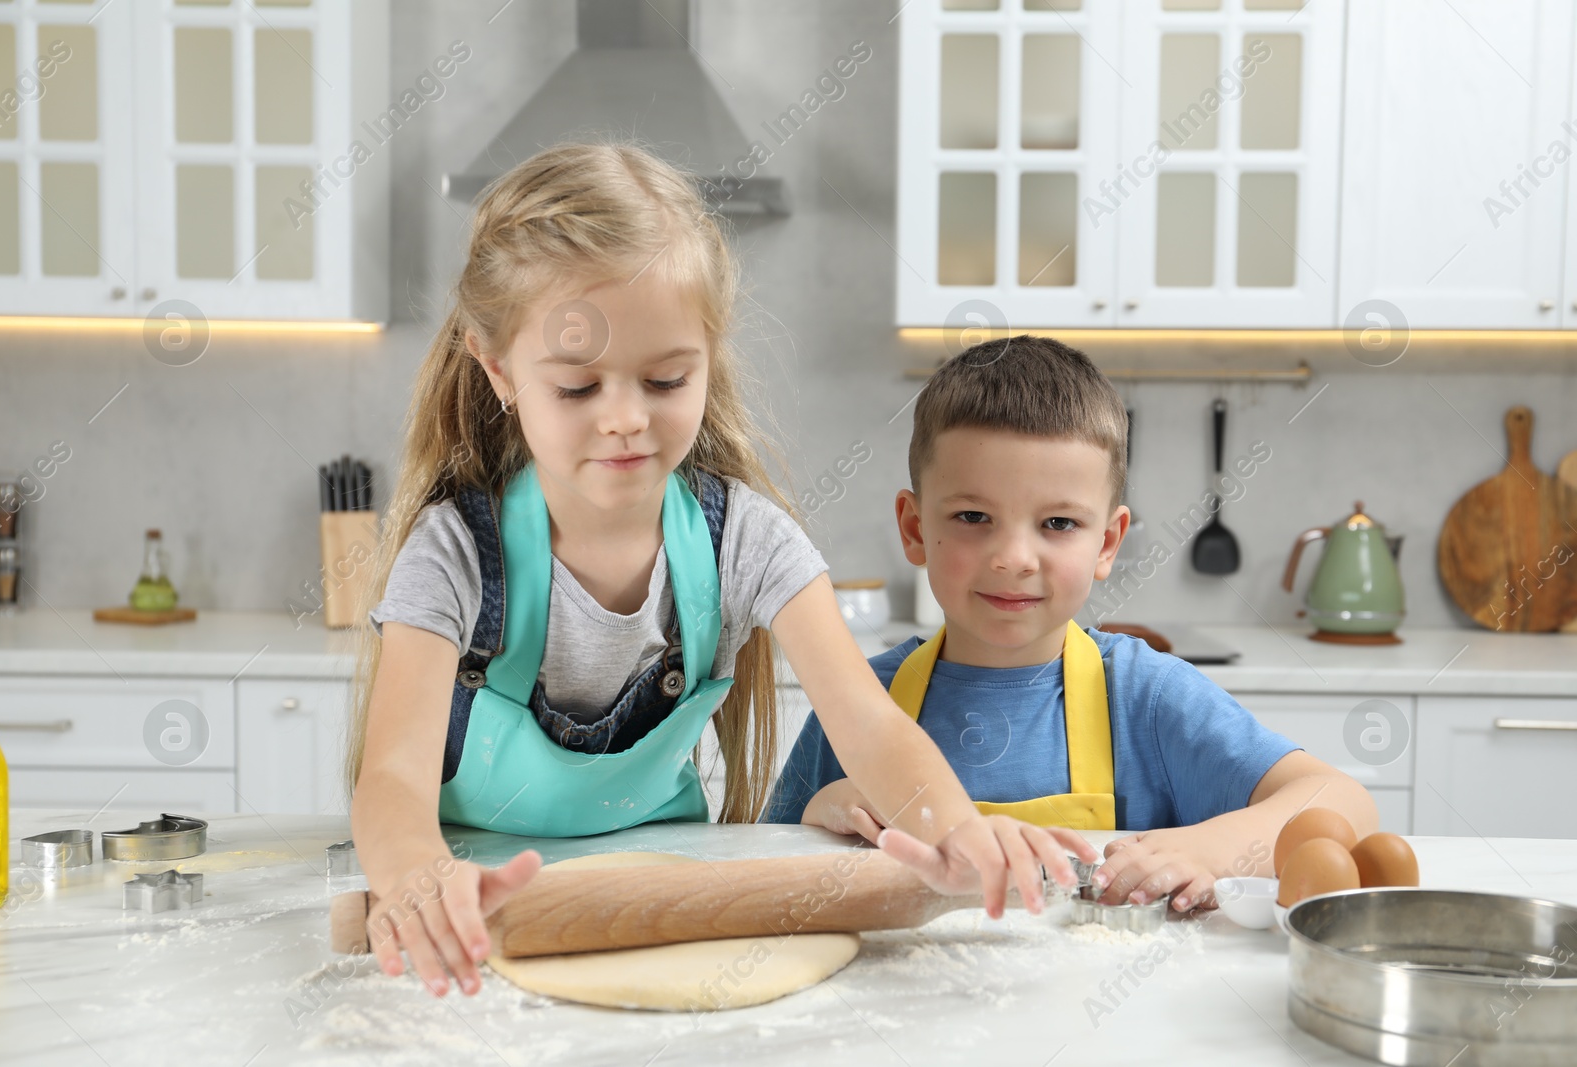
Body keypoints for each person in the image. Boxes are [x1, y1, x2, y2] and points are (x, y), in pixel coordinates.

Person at [345, 145, 1095, 999]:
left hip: (675, 895)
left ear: (706, 356)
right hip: (474, 916)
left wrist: (959, 831)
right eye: (579, 388)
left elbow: (871, 728)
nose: (626, 418)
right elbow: (394, 776)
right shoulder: (453, 555)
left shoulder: (745, 541)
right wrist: (413, 876)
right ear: (499, 371)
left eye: (666, 378)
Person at [764, 335, 1378, 915]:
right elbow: (755, 858)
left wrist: (1207, 850)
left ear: (1108, 542)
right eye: (974, 515)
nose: (1014, 558)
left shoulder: (1146, 697)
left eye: (1058, 523)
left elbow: (1345, 803)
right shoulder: (859, 706)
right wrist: (823, 811)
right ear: (915, 527)